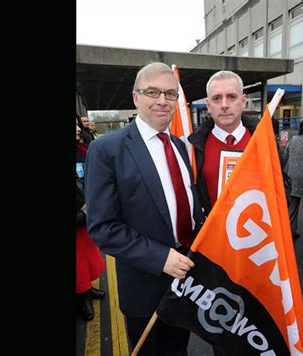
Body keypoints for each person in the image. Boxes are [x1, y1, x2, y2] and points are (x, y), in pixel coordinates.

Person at [85, 62, 205, 355]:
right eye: (153, 92)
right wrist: (160, 257)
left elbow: (187, 205)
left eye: (170, 93)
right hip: (144, 286)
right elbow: (102, 226)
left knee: (177, 350)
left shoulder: (178, 145)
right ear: (136, 97)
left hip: (185, 282)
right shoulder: (107, 149)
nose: (162, 101)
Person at [188, 70, 259, 216]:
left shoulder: (263, 139)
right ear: (208, 105)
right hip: (214, 235)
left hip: (256, 231)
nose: (224, 105)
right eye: (217, 98)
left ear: (243, 101)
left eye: (231, 97)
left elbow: (283, 182)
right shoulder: (192, 147)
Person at [76, 116, 107, 321]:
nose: (78, 129)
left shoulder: (80, 149)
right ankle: (81, 299)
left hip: (85, 215)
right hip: (79, 214)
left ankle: (87, 290)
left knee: (87, 259)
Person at [283, 116, 303, 239]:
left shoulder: (293, 139)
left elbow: (286, 156)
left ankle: (290, 230)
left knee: (292, 206)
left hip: (292, 177)